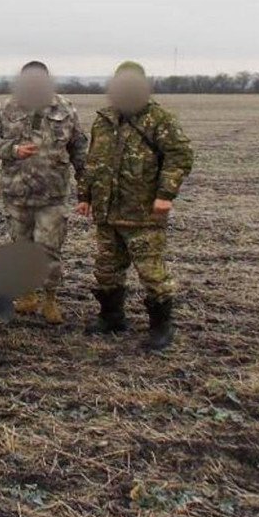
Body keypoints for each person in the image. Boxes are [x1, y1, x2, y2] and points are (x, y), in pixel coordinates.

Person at [76, 61, 194, 350]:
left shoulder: (158, 120)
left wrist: (165, 194)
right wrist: (85, 196)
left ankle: (161, 327)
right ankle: (111, 316)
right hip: (107, 212)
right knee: (106, 269)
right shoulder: (103, 120)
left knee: (151, 272)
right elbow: (93, 162)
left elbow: (180, 156)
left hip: (142, 213)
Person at [0, 61, 88, 324]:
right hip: (16, 194)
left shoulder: (64, 109)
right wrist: (13, 150)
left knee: (50, 249)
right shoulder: (6, 108)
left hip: (52, 195)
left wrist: (86, 191)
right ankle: (28, 295)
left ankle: (50, 299)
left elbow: (79, 148)